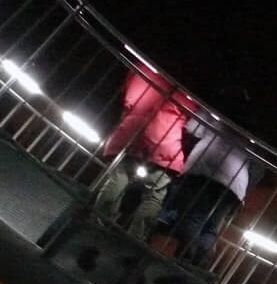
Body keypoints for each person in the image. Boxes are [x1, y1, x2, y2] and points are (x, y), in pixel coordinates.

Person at [156, 87, 259, 266]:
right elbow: (257, 166)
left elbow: (193, 128)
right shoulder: (254, 131)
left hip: (206, 170)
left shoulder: (218, 112)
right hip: (236, 184)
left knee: (192, 217)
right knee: (211, 227)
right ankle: (199, 264)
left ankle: (186, 259)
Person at [89, 67, 196, 240]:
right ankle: (136, 238)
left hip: (131, 135)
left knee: (117, 180)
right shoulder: (185, 92)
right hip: (164, 144)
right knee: (154, 195)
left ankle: (97, 221)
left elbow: (127, 98)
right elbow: (191, 121)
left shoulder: (142, 71)